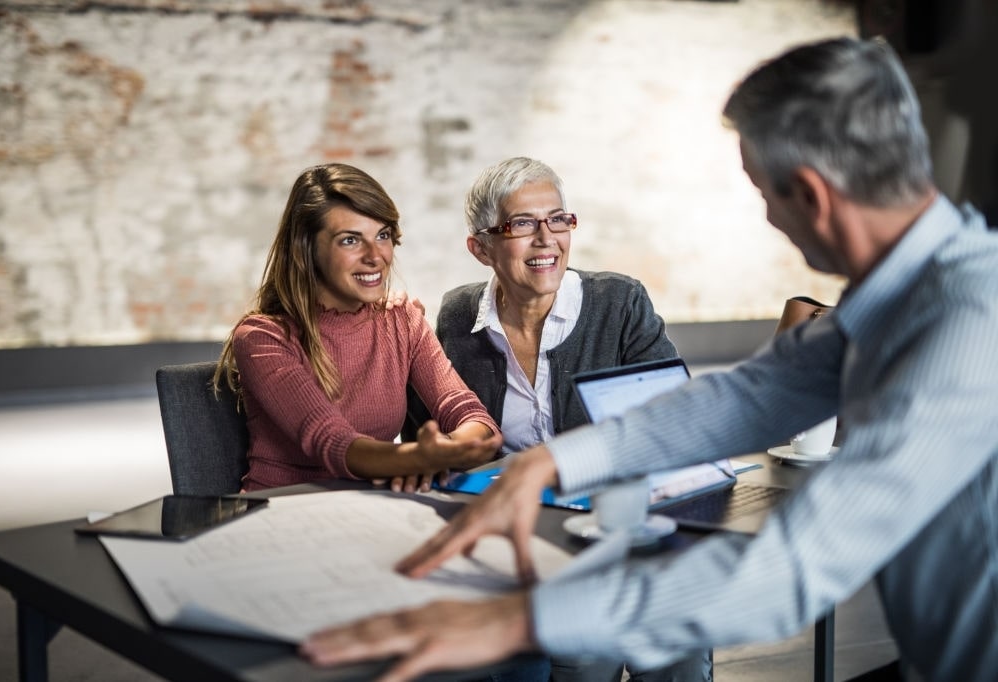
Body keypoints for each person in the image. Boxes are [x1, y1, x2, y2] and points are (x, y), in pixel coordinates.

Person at [298, 37, 998, 682]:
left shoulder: (965, 326)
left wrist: (519, 620)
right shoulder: (911, 293)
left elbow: (790, 572)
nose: (766, 219)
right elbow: (749, 396)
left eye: (762, 193)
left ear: (811, 194)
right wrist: (549, 463)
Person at [405, 156, 710, 682]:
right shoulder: (458, 317)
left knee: (675, 648)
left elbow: (671, 420)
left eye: (559, 219)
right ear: (481, 247)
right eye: (522, 224)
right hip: (520, 536)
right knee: (581, 662)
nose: (546, 239)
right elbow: (425, 433)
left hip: (616, 521)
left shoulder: (619, 303)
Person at [214, 163, 502, 494]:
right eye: (350, 240)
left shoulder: (402, 319)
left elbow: (471, 415)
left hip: (373, 504)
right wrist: (414, 458)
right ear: (305, 249)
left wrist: (436, 453)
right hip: (284, 509)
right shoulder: (263, 337)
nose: (375, 256)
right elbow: (333, 442)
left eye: (382, 235)